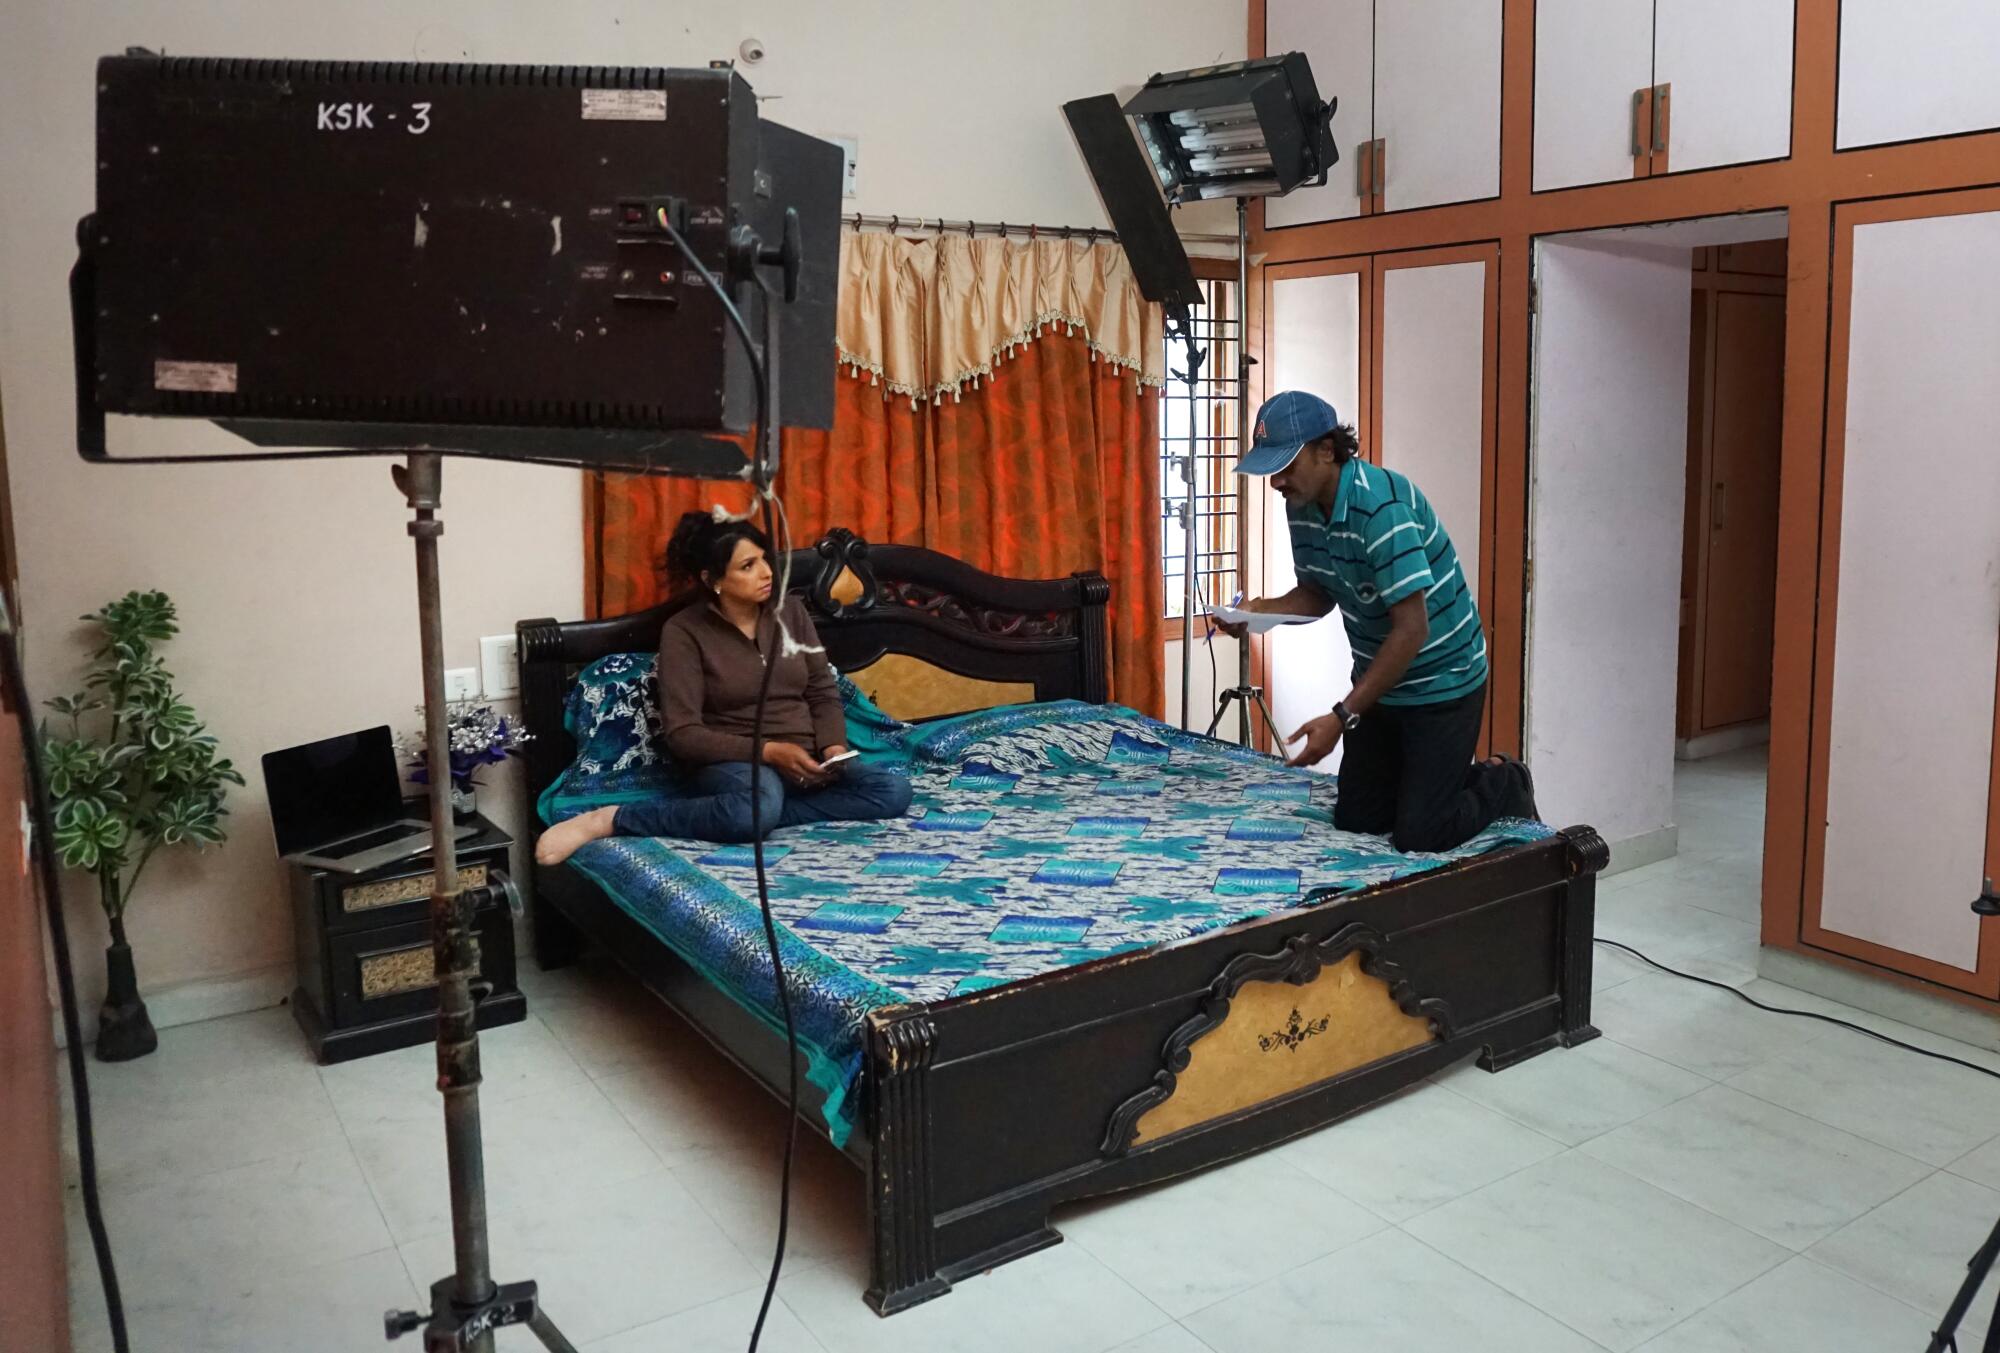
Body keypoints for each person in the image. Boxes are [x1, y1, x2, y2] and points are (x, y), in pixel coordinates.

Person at [1215, 389, 1538, 853]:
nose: (1276, 482)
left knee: (1421, 835)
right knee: (1359, 821)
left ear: (1327, 450)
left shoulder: (1382, 509)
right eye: (1271, 469)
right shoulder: (1300, 508)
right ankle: (1433, 780)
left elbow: (1413, 630)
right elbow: (1317, 594)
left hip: (1442, 681)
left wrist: (1342, 715)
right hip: (1380, 678)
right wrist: (1259, 612)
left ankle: (1505, 781)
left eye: (1285, 466)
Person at [535, 512, 913, 865]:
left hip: (804, 758)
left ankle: (761, 814)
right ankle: (612, 819)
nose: (767, 572)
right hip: (734, 763)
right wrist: (770, 752)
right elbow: (684, 734)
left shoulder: (791, 612)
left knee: (893, 792)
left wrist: (832, 749)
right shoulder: (684, 632)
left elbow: (821, 690)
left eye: (764, 559)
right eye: (748, 566)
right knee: (756, 801)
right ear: (712, 580)